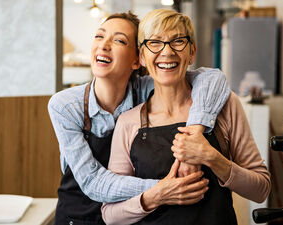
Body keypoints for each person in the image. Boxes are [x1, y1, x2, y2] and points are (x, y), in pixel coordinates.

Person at [48, 12, 231, 225]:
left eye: (119, 40)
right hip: (77, 218)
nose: (104, 45)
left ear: (138, 60)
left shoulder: (146, 90)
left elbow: (212, 78)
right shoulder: (66, 105)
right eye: (99, 36)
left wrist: (194, 135)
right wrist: (163, 188)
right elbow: (92, 181)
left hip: (129, 217)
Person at [101, 9, 271, 225]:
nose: (167, 52)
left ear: (192, 52)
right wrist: (157, 195)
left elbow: (261, 189)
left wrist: (212, 158)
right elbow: (110, 215)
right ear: (142, 57)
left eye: (178, 41)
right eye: (155, 42)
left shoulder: (226, 106)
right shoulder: (128, 122)